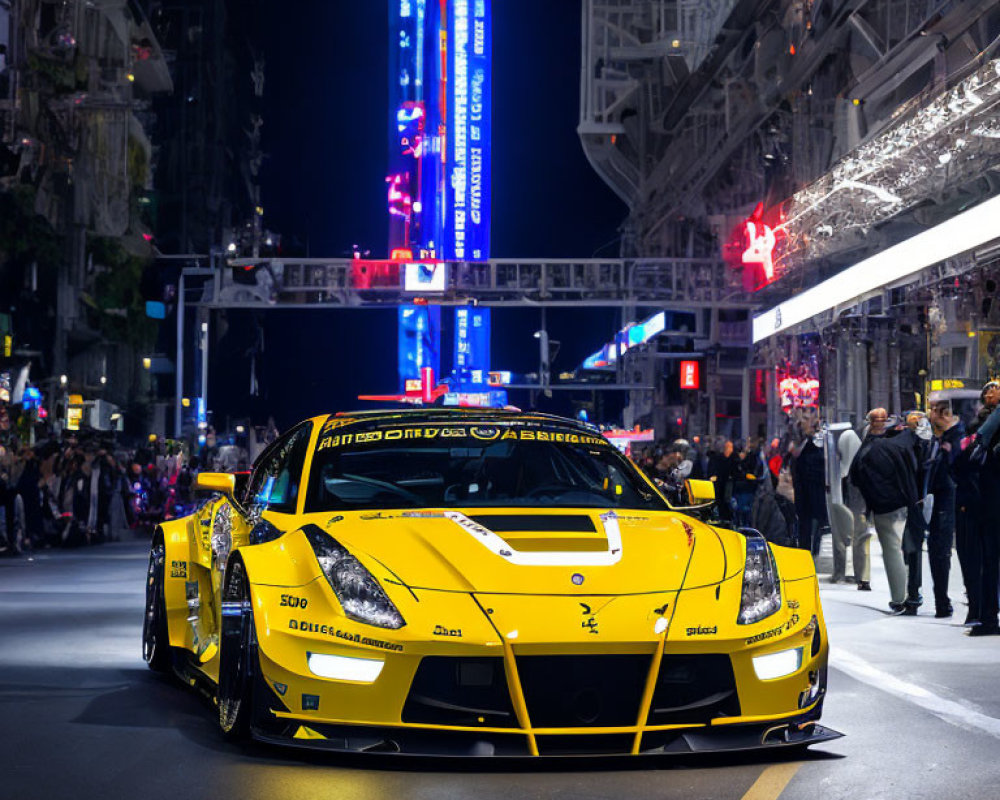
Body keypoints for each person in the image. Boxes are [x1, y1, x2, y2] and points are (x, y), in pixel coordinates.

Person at [850, 408, 913, 614]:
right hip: (908, 501)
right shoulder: (902, 440)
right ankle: (913, 594)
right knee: (909, 550)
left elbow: (855, 476)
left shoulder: (869, 448)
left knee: (892, 549)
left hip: (884, 505)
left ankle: (899, 598)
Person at [925, 399, 965, 617]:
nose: (929, 416)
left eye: (932, 411)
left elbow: (956, 468)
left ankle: (972, 600)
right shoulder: (936, 438)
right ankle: (942, 598)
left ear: (943, 414)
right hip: (938, 501)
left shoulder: (957, 437)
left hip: (951, 501)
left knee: (944, 551)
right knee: (937, 551)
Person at [970, 381, 1000, 635]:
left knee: (991, 561)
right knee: (990, 561)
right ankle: (988, 616)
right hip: (989, 498)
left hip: (992, 498)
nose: (992, 393)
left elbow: (978, 445)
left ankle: (989, 617)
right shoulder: (983, 423)